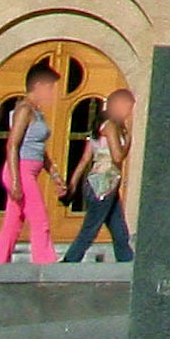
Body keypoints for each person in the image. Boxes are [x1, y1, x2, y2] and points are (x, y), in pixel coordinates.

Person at [0, 67, 63, 265]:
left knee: (13, 221)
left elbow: (39, 149)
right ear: (38, 86)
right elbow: (12, 144)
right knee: (39, 218)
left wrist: (54, 174)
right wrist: (16, 180)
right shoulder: (24, 110)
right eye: (50, 87)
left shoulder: (38, 112)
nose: (52, 92)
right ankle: (45, 262)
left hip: (30, 170)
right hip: (19, 170)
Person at [64, 85, 135, 264]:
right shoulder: (110, 126)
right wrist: (128, 141)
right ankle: (70, 261)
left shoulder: (99, 126)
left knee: (119, 231)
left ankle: (127, 264)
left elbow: (85, 159)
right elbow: (118, 156)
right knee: (91, 228)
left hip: (103, 182)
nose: (128, 113)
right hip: (104, 183)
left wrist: (72, 183)